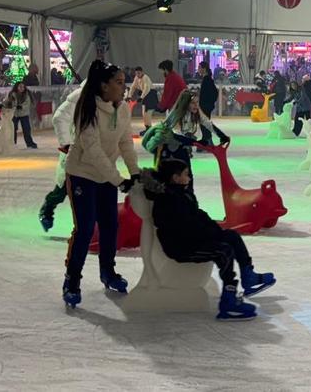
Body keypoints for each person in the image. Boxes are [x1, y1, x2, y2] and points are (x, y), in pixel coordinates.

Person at [145, 157, 275, 320]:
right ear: (175, 177)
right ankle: (228, 301)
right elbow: (184, 228)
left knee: (232, 236)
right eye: (186, 174)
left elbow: (198, 217)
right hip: (181, 246)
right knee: (223, 252)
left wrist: (216, 232)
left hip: (193, 238)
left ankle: (248, 276)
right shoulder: (168, 200)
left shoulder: (182, 193)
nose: (189, 177)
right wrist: (212, 236)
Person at [61, 61, 141, 308]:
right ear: (104, 86)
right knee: (85, 229)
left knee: (110, 226)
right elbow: (93, 151)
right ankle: (72, 280)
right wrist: (119, 180)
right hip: (82, 173)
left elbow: (125, 143)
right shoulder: (87, 110)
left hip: (105, 176)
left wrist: (135, 173)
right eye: (119, 82)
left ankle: (108, 271)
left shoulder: (122, 109)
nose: (124, 86)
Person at [40, 83, 83, 232]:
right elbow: (59, 118)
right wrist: (67, 144)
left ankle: (89, 227)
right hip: (74, 152)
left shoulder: (109, 98)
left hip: (95, 155)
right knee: (62, 189)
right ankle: (47, 209)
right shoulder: (80, 96)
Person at [146, 89, 229, 163]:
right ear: (185, 104)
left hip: (177, 139)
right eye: (193, 103)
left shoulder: (196, 111)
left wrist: (222, 135)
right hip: (163, 142)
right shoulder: (177, 115)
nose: (196, 105)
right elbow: (176, 135)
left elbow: (207, 123)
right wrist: (195, 143)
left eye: (197, 102)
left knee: (190, 136)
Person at [2, 81, 38, 149]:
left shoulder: (27, 94)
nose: (22, 88)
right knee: (13, 129)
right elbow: (7, 101)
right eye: (20, 87)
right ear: (17, 87)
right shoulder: (12, 94)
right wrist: (2, 105)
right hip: (14, 114)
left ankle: (30, 144)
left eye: (23, 87)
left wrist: (21, 107)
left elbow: (27, 103)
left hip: (24, 114)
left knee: (26, 129)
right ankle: (12, 143)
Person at [198, 61, 219, 145]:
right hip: (205, 105)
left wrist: (209, 103)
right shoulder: (207, 79)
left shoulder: (207, 79)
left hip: (205, 106)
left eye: (199, 68)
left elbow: (213, 93)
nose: (198, 69)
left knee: (204, 124)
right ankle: (205, 142)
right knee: (203, 124)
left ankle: (208, 141)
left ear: (204, 69)